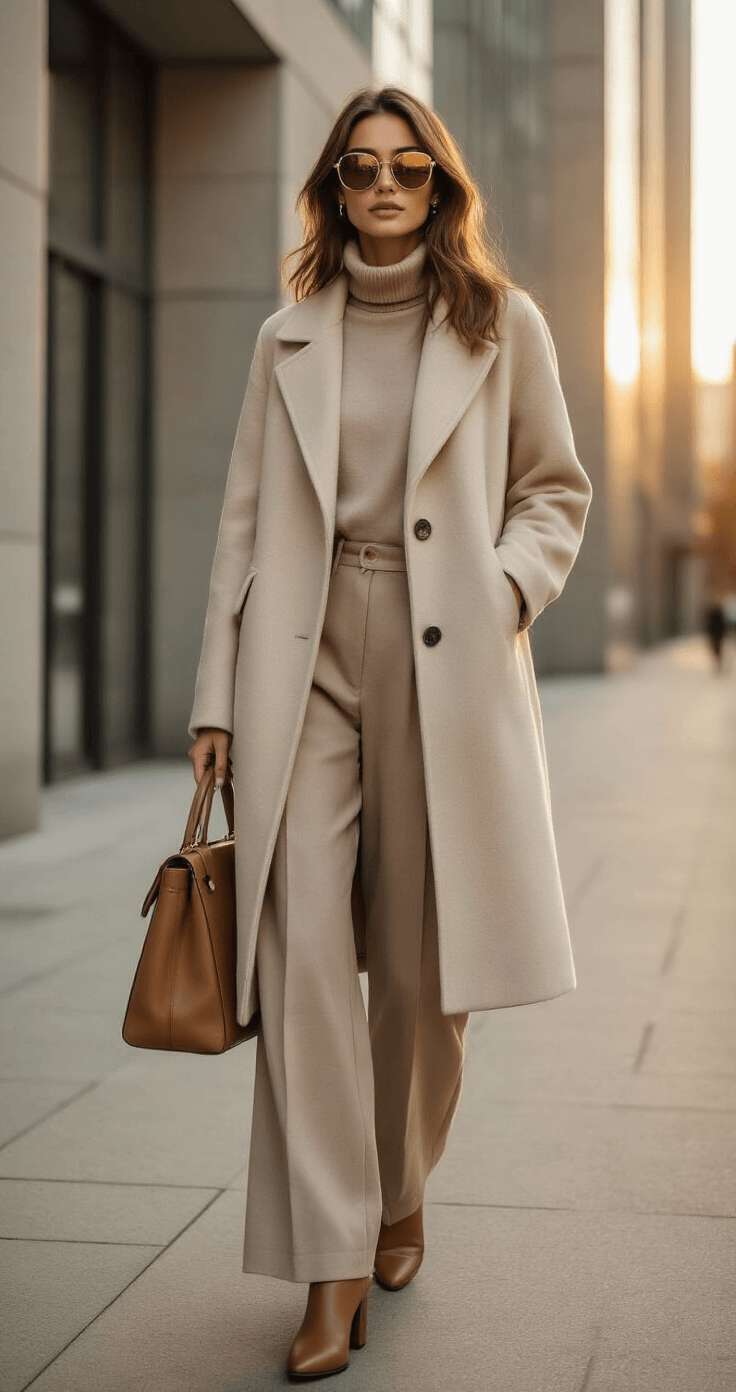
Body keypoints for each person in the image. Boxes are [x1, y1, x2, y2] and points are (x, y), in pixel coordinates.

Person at [188, 85, 592, 1382]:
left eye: (408, 168)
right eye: (360, 168)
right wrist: (214, 699)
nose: (383, 186)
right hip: (301, 662)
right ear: (332, 187)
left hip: (445, 660)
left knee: (420, 972)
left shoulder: (499, 323)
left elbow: (554, 491)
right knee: (302, 951)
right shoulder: (286, 337)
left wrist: (503, 588)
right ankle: (331, 1262)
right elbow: (242, 523)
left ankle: (399, 1185)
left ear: (438, 185)